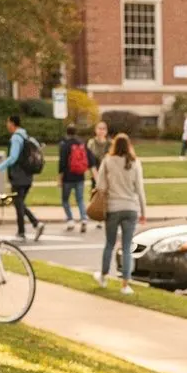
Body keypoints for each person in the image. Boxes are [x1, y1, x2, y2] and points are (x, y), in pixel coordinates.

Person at [93, 133, 146, 295]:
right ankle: (125, 284)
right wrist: (143, 212)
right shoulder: (135, 162)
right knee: (127, 247)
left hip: (113, 208)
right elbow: (140, 189)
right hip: (131, 208)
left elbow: (100, 186)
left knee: (109, 244)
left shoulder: (108, 161)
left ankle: (103, 277)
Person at [0, 113, 44, 242]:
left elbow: (13, 157)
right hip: (28, 176)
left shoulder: (16, 138)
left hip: (18, 176)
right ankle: (34, 225)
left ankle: (25, 230)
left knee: (18, 203)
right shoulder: (26, 136)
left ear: (12, 123)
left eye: (8, 122)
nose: (6, 125)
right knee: (19, 203)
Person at [58, 123, 96, 233]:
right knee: (80, 199)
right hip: (80, 176)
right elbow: (90, 159)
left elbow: (62, 163)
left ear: (67, 132)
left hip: (67, 177)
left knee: (65, 200)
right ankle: (83, 219)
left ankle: (70, 220)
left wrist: (60, 178)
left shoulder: (65, 145)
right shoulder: (81, 144)